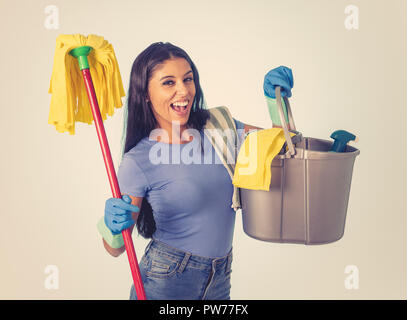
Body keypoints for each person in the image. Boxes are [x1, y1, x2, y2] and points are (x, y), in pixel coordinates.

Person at [99, 42, 294, 300]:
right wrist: (110, 225)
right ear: (145, 93)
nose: (183, 90)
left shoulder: (220, 127)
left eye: (188, 79)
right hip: (166, 278)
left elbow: (283, 145)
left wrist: (276, 101)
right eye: (168, 82)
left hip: (220, 276)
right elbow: (116, 249)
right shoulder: (138, 160)